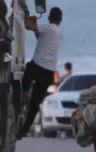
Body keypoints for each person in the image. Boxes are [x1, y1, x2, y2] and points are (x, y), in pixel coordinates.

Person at [18, 7, 64, 139]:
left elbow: (28, 26)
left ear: (49, 18)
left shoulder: (48, 28)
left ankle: (25, 92)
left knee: (26, 78)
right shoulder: (59, 33)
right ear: (60, 20)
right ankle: (25, 129)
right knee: (35, 103)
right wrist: (34, 26)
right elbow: (39, 35)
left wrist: (27, 16)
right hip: (49, 71)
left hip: (37, 66)